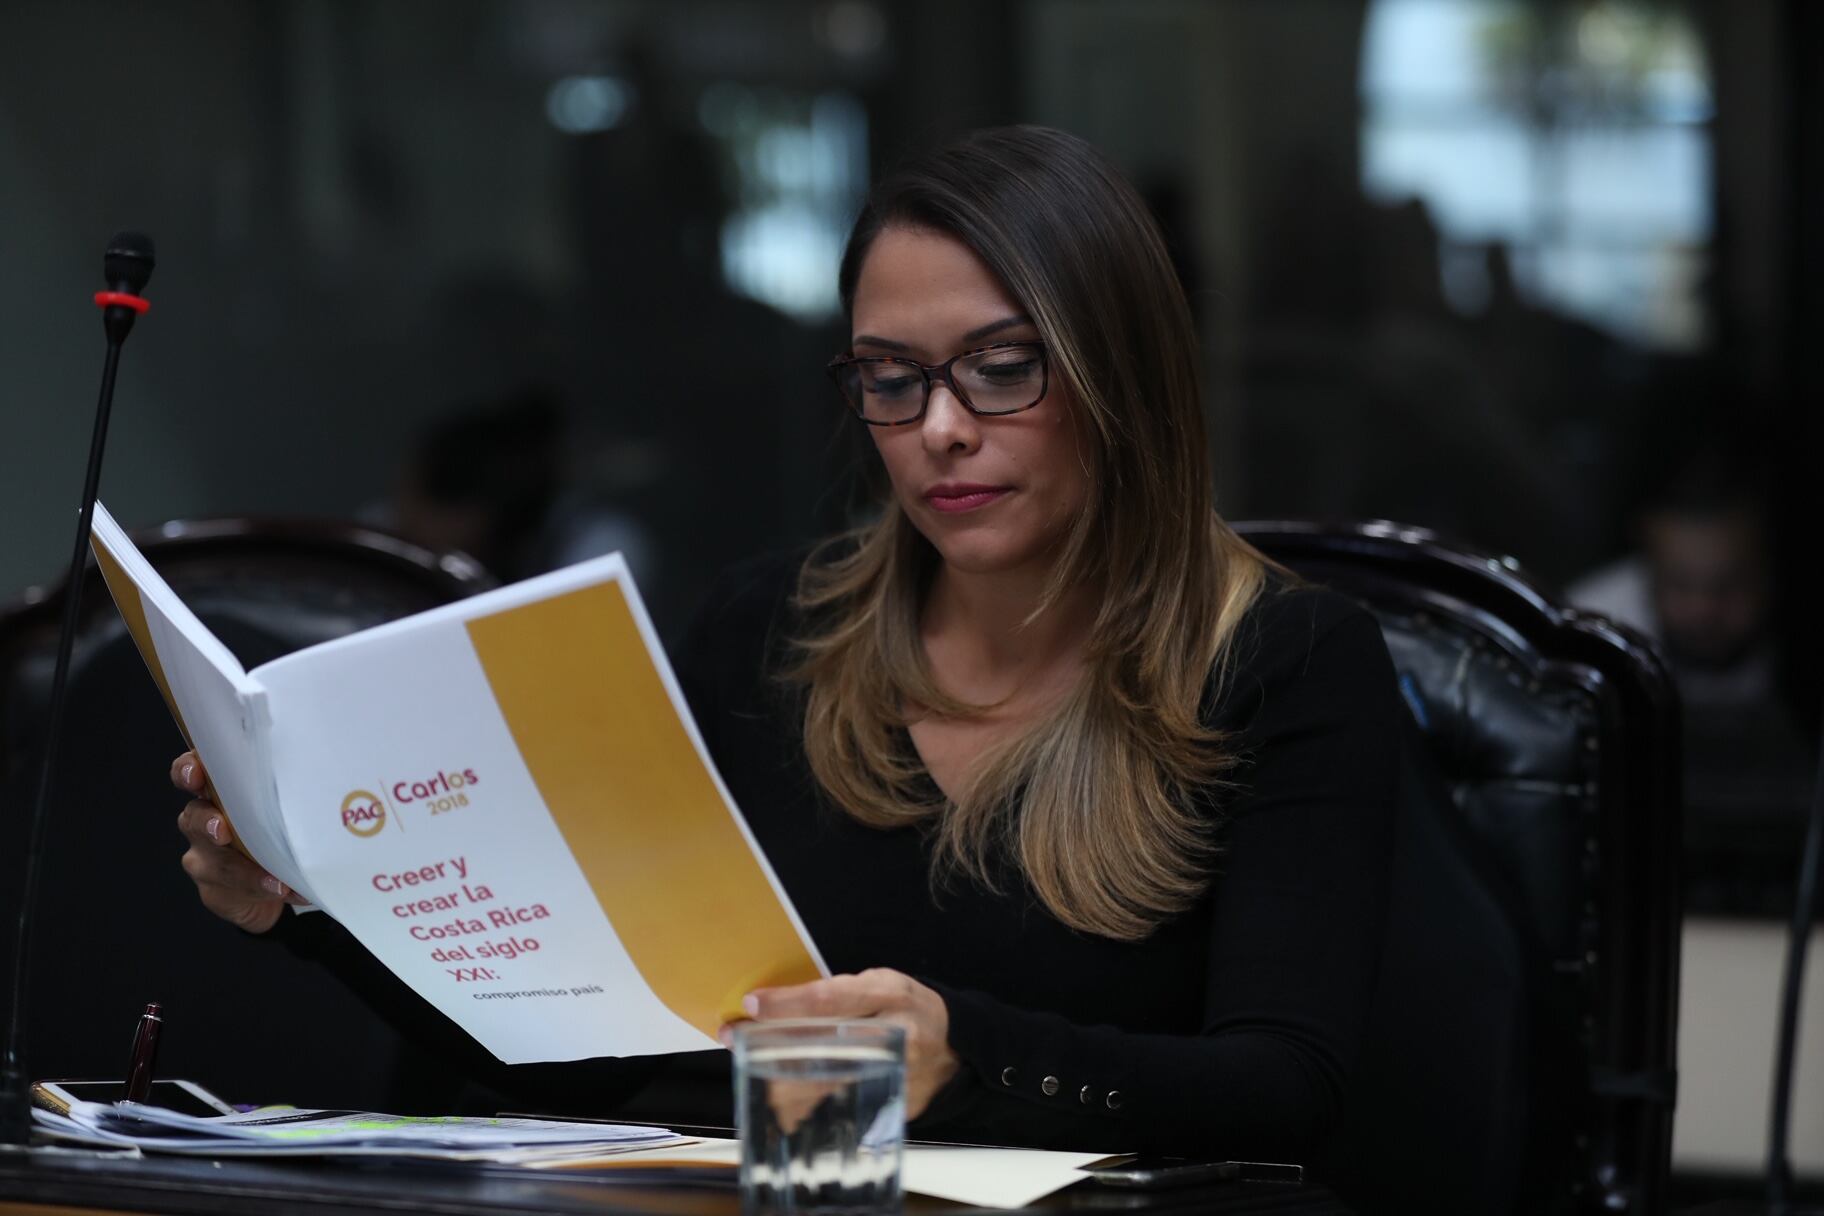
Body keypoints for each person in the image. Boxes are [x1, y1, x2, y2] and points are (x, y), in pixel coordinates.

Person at [166, 126, 1529, 1212]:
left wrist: (964, 1051)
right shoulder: (771, 632)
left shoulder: (1286, 660)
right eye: (890, 378)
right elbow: (594, 1046)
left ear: (1122, 377)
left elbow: (1285, 1091)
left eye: (1000, 369)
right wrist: (311, 907)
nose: (939, 429)